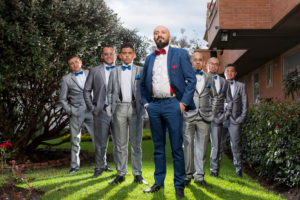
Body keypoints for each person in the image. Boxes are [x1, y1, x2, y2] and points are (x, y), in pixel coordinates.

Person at [140, 25, 196, 198]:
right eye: (156, 33)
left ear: (169, 37)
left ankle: (179, 185)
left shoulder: (180, 54)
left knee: (176, 147)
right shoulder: (149, 58)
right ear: (153, 38)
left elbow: (191, 80)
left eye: (162, 32)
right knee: (158, 147)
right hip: (154, 106)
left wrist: (183, 104)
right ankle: (158, 182)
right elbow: (142, 85)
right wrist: (146, 104)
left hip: (174, 104)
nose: (159, 35)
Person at [107, 43, 148, 185]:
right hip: (119, 109)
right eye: (124, 53)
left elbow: (145, 90)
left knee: (136, 144)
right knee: (120, 144)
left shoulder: (141, 71)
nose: (127, 55)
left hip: (135, 108)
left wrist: (144, 105)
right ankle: (121, 173)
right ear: (120, 55)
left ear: (134, 55)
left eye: (129, 53)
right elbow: (110, 91)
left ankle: (138, 174)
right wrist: (110, 108)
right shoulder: (114, 71)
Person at [183, 52, 218, 187]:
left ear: (204, 63)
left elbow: (215, 96)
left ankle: (199, 176)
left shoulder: (209, 78)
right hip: (188, 116)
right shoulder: (184, 76)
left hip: (204, 117)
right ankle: (187, 175)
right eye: (195, 60)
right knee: (188, 146)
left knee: (202, 148)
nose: (197, 62)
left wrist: (213, 112)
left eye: (200, 60)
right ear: (191, 62)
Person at [83, 46, 115, 178]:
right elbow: (86, 90)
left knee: (119, 142)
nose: (108, 56)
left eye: (111, 54)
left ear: (115, 55)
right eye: (106, 54)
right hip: (101, 111)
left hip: (118, 111)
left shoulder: (120, 70)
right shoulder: (94, 71)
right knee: (100, 142)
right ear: (102, 56)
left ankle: (120, 169)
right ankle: (99, 167)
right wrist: (92, 108)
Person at [59, 55, 94, 174]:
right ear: (70, 66)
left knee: (99, 139)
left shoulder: (91, 73)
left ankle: (102, 164)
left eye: (76, 62)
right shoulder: (66, 79)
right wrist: (71, 110)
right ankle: (74, 167)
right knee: (75, 140)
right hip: (76, 112)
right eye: (72, 63)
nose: (75, 64)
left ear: (81, 62)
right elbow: (62, 99)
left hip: (91, 111)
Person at [219, 64, 248, 177]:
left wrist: (241, 118)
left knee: (235, 146)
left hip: (234, 120)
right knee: (218, 145)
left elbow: (245, 102)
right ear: (224, 73)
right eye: (227, 71)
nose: (229, 73)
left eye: (232, 71)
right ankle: (215, 170)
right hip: (221, 120)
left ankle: (238, 170)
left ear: (235, 73)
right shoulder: (219, 85)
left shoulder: (241, 86)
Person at [206, 57, 232, 177]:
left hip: (218, 118)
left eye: (216, 64)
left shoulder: (224, 82)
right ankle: (197, 172)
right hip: (202, 117)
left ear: (219, 67)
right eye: (211, 64)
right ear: (207, 65)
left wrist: (225, 115)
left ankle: (214, 171)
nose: (214, 66)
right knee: (199, 145)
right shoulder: (199, 79)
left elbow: (229, 101)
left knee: (216, 146)